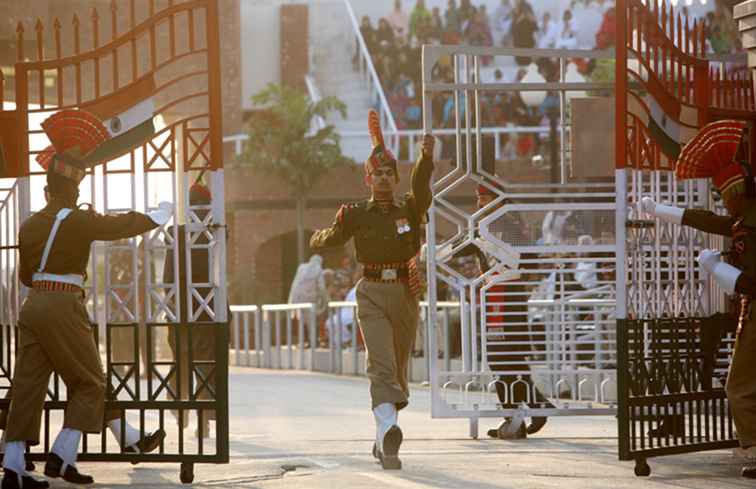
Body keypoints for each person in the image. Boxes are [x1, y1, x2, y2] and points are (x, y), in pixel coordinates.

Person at [2, 109, 168, 489]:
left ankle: (12, 467)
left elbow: (26, 275)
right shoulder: (78, 219)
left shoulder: (29, 225)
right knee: (91, 381)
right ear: (74, 193)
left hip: (34, 306)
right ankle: (62, 454)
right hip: (63, 304)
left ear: (46, 191)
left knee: (28, 385)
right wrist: (156, 216)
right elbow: (117, 226)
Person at [310, 109, 434, 470]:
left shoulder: (410, 209)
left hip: (406, 295)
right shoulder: (355, 214)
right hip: (372, 292)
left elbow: (422, 187)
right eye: (376, 173)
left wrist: (425, 158)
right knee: (380, 365)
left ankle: (383, 439)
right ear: (367, 179)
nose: (382, 177)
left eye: (387, 173)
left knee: (397, 368)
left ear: (395, 178)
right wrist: (316, 237)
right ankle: (389, 429)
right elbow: (330, 238)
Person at [641, 120, 756, 479]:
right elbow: (707, 221)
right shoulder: (743, 221)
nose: (722, 202)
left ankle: (754, 450)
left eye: (724, 194)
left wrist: (718, 271)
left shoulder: (748, 228)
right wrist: (661, 210)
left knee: (738, 385)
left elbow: (752, 284)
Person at [446, 184, 553, 439]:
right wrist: (472, 236)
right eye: (479, 198)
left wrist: (491, 246)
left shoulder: (508, 225)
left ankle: (517, 416)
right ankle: (531, 410)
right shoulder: (480, 226)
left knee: (504, 357)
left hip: (508, 295)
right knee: (505, 359)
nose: (481, 203)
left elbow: (528, 256)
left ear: (498, 201)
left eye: (486, 198)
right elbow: (457, 250)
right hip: (496, 295)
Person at [163, 179, 220, 439]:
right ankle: (205, 418)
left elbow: (167, 277)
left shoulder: (176, 231)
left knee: (181, 363)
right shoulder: (217, 230)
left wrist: (171, 304)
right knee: (207, 366)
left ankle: (181, 408)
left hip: (181, 309)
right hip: (210, 310)